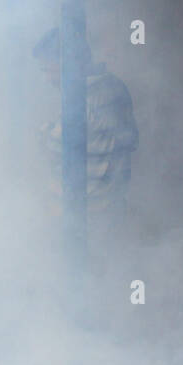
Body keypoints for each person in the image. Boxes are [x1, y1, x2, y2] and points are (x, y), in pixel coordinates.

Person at [33, 27, 139, 236]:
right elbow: (132, 141)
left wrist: (44, 131)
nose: (46, 78)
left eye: (48, 70)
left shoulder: (86, 97)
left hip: (90, 216)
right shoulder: (114, 86)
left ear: (68, 63)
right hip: (108, 210)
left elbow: (56, 145)